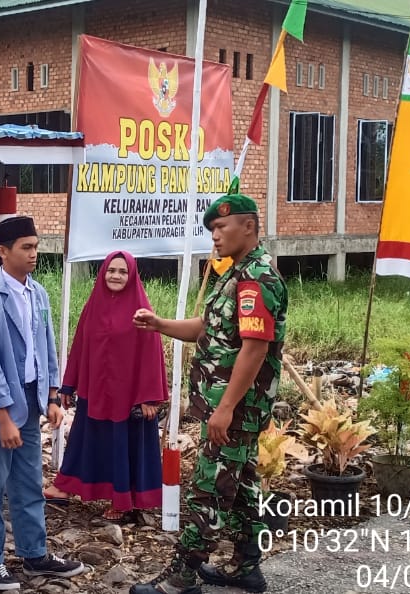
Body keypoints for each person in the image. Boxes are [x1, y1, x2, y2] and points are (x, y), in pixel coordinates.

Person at [129, 183, 287, 594]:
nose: (214, 235)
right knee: (242, 485)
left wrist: (226, 408)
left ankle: (182, 577)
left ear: (248, 226)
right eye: (211, 229)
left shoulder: (256, 280)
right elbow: (207, 327)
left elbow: (255, 348)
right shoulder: (232, 274)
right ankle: (246, 567)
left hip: (235, 409)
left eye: (221, 227)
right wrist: (161, 324)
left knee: (209, 488)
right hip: (228, 406)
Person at [0, 215, 87, 591]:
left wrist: (52, 396)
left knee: (29, 483)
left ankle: (34, 553)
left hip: (31, 407)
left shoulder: (37, 294)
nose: (35, 253)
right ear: (3, 252)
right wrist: (3, 417)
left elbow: (46, 348)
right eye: (27, 247)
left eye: (36, 246)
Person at [44, 251, 166, 522]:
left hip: (128, 395)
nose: (116, 276)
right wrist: (68, 384)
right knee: (84, 440)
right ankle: (66, 486)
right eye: (111, 270)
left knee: (122, 443)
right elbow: (80, 346)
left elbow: (151, 353)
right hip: (95, 387)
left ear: (132, 275)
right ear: (103, 273)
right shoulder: (93, 305)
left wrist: (149, 397)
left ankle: (122, 501)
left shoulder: (140, 309)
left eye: (123, 272)